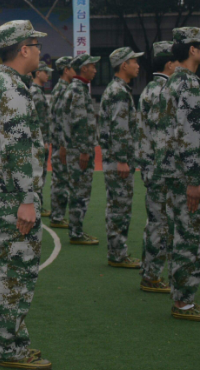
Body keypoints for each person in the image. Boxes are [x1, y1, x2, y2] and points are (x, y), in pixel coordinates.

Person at [0, 20, 51, 370]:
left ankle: (13, 340)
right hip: (11, 197)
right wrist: (27, 199)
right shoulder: (11, 89)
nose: (39, 52)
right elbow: (18, 149)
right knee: (15, 272)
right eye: (36, 46)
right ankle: (9, 348)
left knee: (9, 269)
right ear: (24, 49)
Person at [154, 27, 200, 322]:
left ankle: (182, 299)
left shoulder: (174, 82)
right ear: (192, 50)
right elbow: (189, 136)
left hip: (175, 174)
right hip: (187, 176)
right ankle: (183, 302)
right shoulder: (188, 84)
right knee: (191, 237)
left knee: (182, 234)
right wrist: (194, 179)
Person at [98, 47, 144, 269]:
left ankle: (117, 251)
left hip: (115, 158)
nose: (138, 65)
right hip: (118, 160)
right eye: (134, 61)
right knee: (119, 207)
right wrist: (122, 159)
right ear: (123, 65)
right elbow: (119, 128)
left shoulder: (118, 89)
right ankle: (117, 254)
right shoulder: (118, 92)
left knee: (118, 206)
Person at [137, 41, 176, 293]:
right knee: (160, 224)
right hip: (161, 169)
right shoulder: (162, 91)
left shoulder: (150, 89)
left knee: (156, 222)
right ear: (170, 63)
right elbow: (164, 136)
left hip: (152, 166)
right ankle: (151, 275)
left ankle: (149, 271)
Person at [62, 54, 100, 246]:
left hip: (75, 148)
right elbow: (79, 121)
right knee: (79, 192)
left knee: (79, 191)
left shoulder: (78, 89)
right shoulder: (77, 90)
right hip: (79, 150)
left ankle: (76, 230)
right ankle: (76, 232)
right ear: (83, 68)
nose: (95, 69)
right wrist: (85, 150)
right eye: (92, 66)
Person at [47, 57, 74, 229]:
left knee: (60, 180)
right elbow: (61, 119)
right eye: (73, 68)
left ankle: (57, 215)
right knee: (60, 180)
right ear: (66, 70)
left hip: (58, 141)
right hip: (60, 142)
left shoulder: (61, 89)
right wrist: (63, 144)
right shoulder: (63, 90)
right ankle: (57, 216)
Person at [30, 62, 52, 217]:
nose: (48, 75)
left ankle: (39, 203)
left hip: (39, 139)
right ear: (38, 73)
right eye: (45, 72)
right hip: (38, 140)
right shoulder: (35, 93)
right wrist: (42, 140)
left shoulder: (37, 91)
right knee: (38, 173)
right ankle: (37, 203)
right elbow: (38, 121)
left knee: (40, 173)